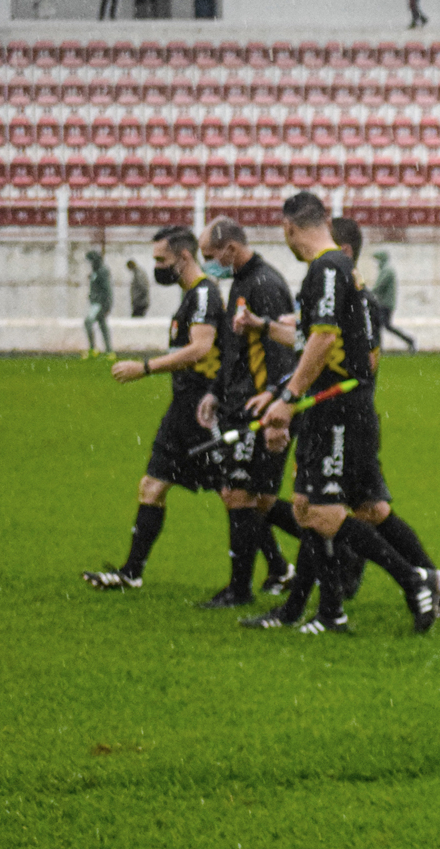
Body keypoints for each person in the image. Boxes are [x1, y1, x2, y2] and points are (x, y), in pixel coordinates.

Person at [250, 192, 440, 635]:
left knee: (325, 511)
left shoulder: (325, 268)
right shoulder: (339, 270)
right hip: (333, 406)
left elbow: (322, 340)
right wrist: (284, 394)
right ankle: (329, 611)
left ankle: (414, 579)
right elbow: (320, 343)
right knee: (309, 506)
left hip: (338, 408)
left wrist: (287, 398)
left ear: (288, 228)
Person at [82, 226, 227, 592]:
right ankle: (131, 573)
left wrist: (144, 368)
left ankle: (285, 565)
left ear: (184, 257)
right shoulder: (191, 295)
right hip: (181, 408)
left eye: (162, 260)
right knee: (151, 486)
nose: (158, 267)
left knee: (236, 495)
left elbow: (201, 349)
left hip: (203, 409)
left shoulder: (206, 294)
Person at [194, 218, 301, 607]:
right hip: (239, 402)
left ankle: (240, 590)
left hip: (258, 407)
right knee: (255, 499)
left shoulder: (265, 285)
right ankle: (332, 551)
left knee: (241, 495)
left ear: (231, 250)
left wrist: (275, 398)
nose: (207, 264)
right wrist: (215, 392)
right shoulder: (241, 282)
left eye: (209, 257)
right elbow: (235, 350)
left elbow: (283, 349)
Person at [370, 249, 417, 353]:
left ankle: (409, 341)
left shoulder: (387, 270)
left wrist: (367, 293)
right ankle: (408, 341)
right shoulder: (386, 269)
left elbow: (379, 286)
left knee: (381, 326)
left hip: (385, 304)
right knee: (383, 326)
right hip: (385, 303)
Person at [82, 249, 114, 359]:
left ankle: (93, 348)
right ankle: (109, 350)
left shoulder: (102, 271)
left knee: (88, 322)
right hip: (97, 302)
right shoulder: (96, 271)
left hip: (99, 303)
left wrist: (106, 304)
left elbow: (106, 290)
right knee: (102, 325)